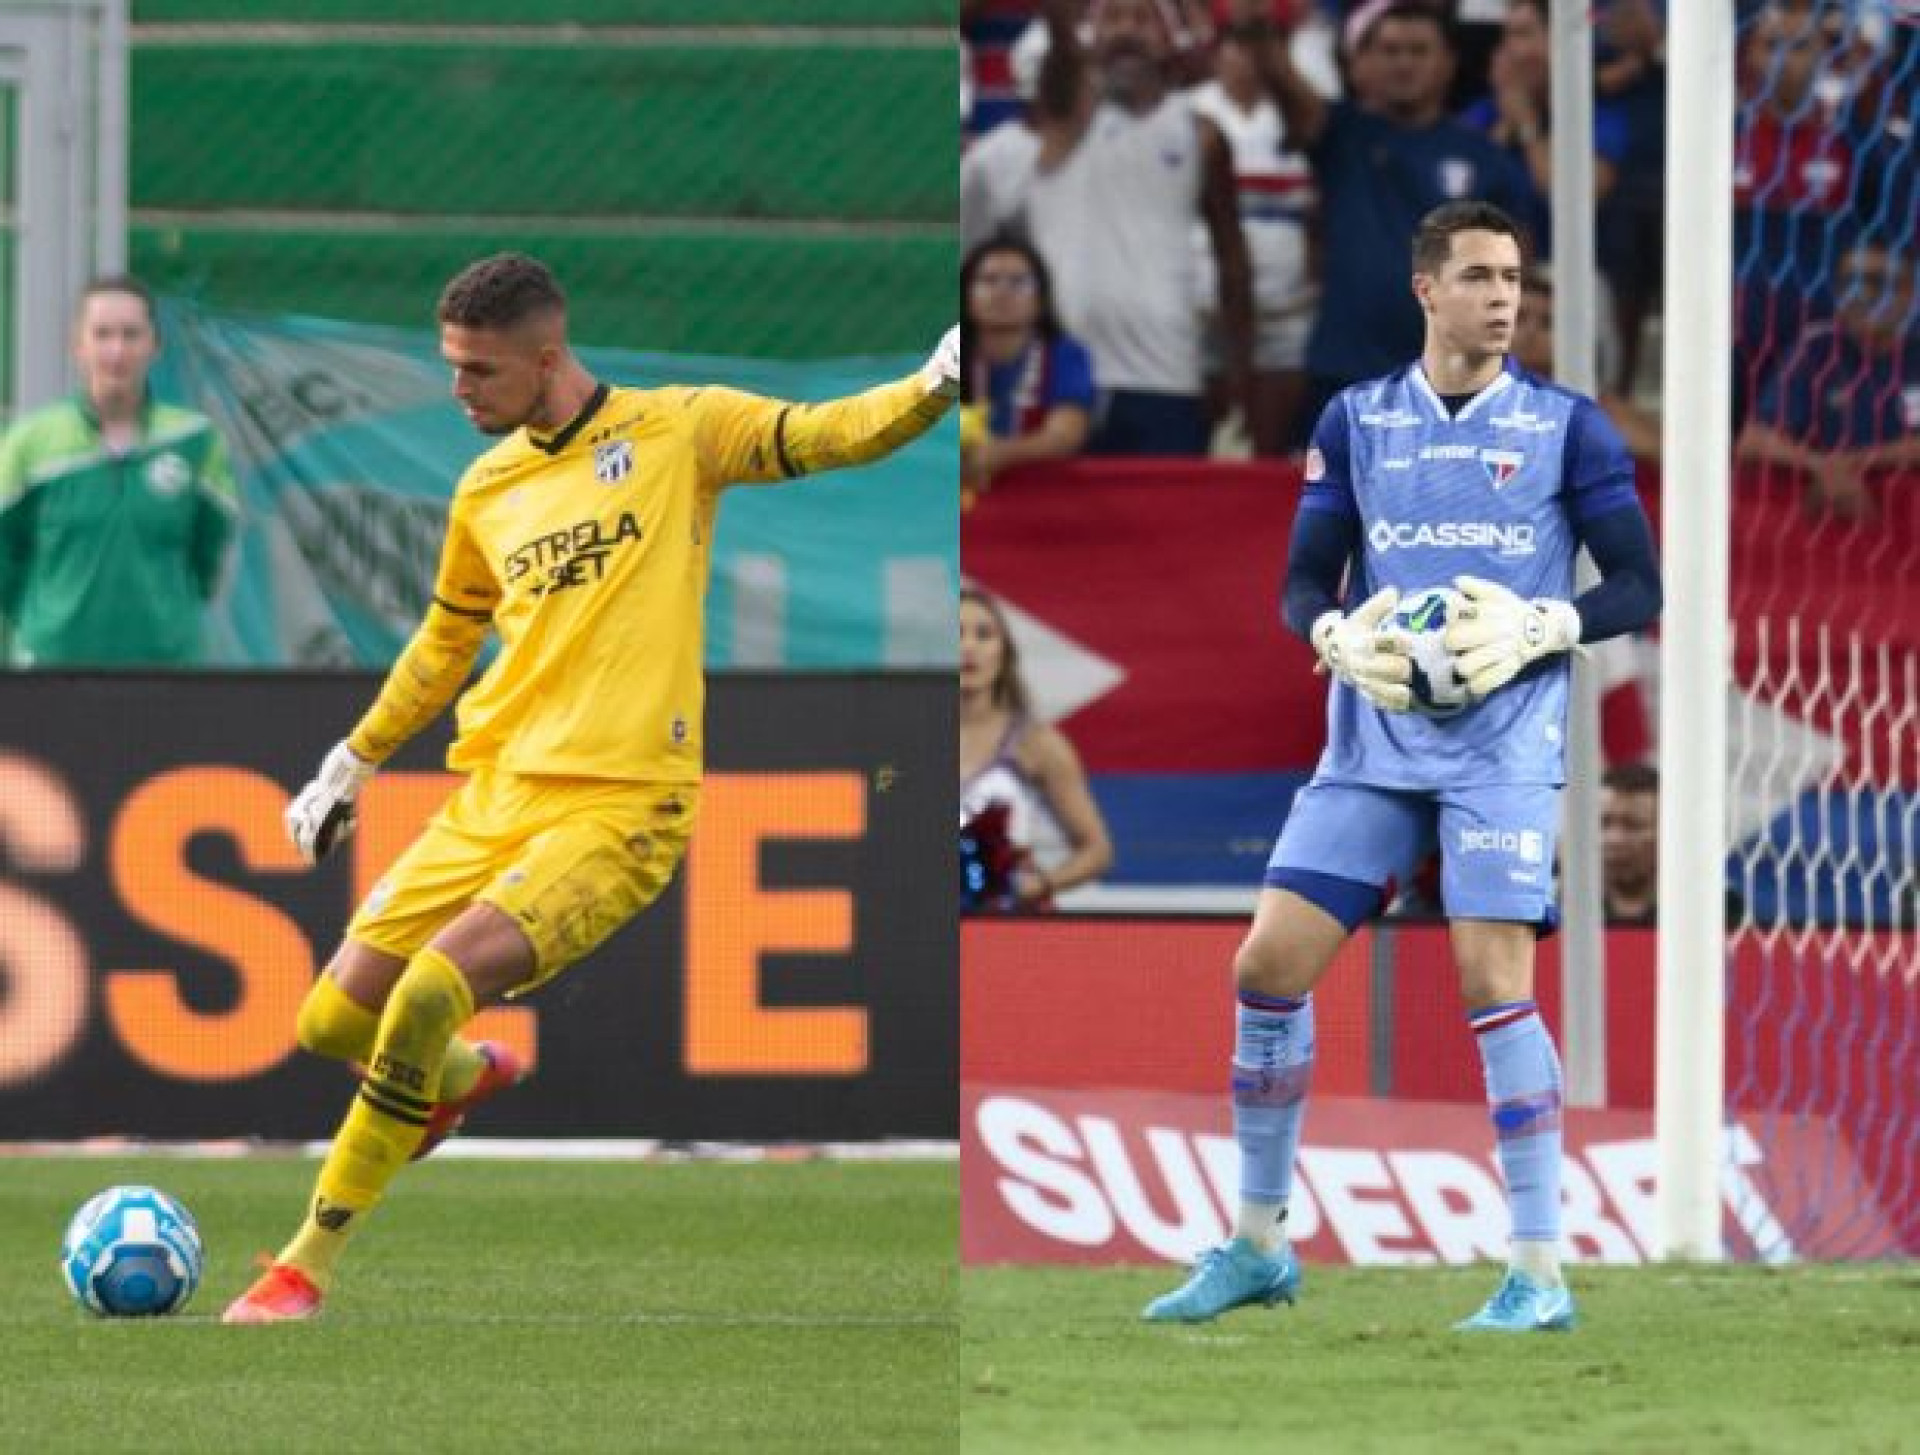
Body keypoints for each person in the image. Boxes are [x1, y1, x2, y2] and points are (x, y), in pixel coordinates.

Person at [222, 253, 959, 1324]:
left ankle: (304, 1265)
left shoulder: (679, 432)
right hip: (497, 791)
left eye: (479, 371)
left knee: (427, 990)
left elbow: (825, 434)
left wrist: (935, 384)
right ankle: (460, 1077)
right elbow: (442, 646)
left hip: (623, 802)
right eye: (452, 367)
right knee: (335, 1020)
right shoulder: (487, 488)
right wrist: (353, 760)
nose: (460, 390)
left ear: (547, 357)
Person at [1142, 201, 1662, 1332]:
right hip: (1373, 743)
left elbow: (1636, 585)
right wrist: (1327, 636)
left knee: (1490, 982)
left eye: (1514, 276)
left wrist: (1543, 628)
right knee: (1265, 965)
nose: (1503, 296)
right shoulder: (1358, 419)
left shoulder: (1571, 428)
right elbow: (1300, 579)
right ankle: (1259, 1243)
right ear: (1427, 288)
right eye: (1478, 275)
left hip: (1502, 751)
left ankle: (1537, 1271)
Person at [976, 0, 1256, 455]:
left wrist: (1235, 373)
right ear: (1086, 37)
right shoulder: (1060, 120)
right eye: (1112, 18)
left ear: (1169, 39)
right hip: (1060, 373)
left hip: (1167, 375)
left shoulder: (1202, 134)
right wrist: (1063, 27)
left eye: (1143, 19)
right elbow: (1061, 71)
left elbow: (1233, 260)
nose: (1126, 31)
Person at [1239, 1, 1531, 419]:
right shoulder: (1340, 135)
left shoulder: (1485, 158)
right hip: (1343, 374)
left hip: (1448, 382)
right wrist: (1256, 27)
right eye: (1390, 51)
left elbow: (1516, 272)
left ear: (1447, 63)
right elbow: (1282, 80)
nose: (1403, 64)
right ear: (1364, 61)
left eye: (1418, 51)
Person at [0, 275, 237, 667]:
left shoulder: (196, 440)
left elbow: (209, 556)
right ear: (78, 346)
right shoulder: (29, 441)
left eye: (131, 335)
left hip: (168, 670)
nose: (117, 350)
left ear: (155, 346)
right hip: (50, 670)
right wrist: (43, 620)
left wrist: (166, 615)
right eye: (102, 334)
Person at [1736, 237, 1920, 517]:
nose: (1861, 293)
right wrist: (1820, 466)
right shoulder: (1816, 347)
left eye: (1877, 282)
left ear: (1909, 296)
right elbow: (1752, 439)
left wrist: (1855, 462)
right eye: (1850, 282)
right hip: (1825, 501)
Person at [959, 584, 1113, 907]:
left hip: (1007, 920)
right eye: (956, 634)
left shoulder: (1038, 745)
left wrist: (1042, 884)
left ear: (1004, 652)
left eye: (984, 635)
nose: (968, 647)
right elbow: (881, 789)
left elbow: (1097, 850)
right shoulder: (904, 744)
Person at [961, 235, 1095, 496]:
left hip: (1041, 502)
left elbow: (1065, 435)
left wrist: (1000, 454)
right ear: (967, 296)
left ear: (1042, 299)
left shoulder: (1065, 355)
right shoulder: (948, 356)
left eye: (1019, 282)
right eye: (988, 281)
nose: (1002, 292)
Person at [1601, 761, 1658, 925]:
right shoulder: (1548, 915)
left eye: (1633, 825)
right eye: (1603, 823)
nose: (1614, 839)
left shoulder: (1720, 915)